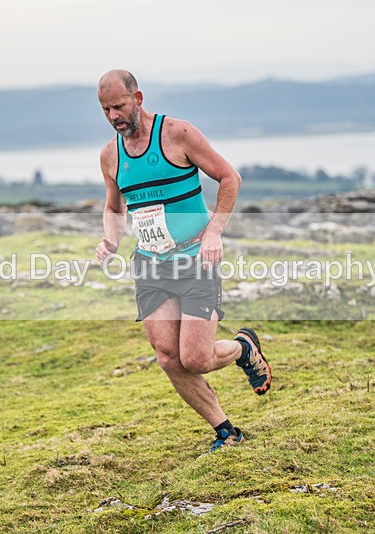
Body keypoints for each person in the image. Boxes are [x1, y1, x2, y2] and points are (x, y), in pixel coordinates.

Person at [95, 70, 272, 454]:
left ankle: (243, 348)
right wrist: (110, 238)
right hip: (151, 266)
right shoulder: (111, 154)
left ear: (138, 98)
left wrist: (214, 232)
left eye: (119, 106)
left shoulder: (176, 134)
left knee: (196, 358)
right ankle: (226, 431)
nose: (114, 116)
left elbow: (229, 177)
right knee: (168, 357)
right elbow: (114, 206)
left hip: (195, 260)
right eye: (106, 110)